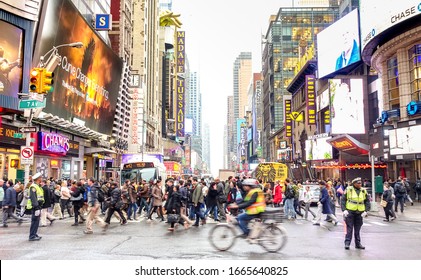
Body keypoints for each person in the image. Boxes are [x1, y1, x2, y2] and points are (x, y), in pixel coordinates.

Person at [341, 177, 371, 250]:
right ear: (354, 183)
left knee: (357, 229)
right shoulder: (349, 189)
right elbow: (343, 200)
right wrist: (344, 210)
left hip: (360, 212)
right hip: (350, 211)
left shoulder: (363, 191)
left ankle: (358, 244)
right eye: (358, 183)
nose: (360, 184)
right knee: (349, 228)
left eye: (360, 183)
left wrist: (366, 211)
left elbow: (367, 201)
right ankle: (347, 243)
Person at [27, 173, 45, 241]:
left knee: (36, 222)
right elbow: (33, 198)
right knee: (34, 221)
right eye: (41, 177)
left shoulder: (38, 186)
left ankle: (34, 234)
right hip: (35, 207)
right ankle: (32, 236)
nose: (42, 179)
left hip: (38, 206)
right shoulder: (33, 187)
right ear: (38, 179)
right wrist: (36, 207)